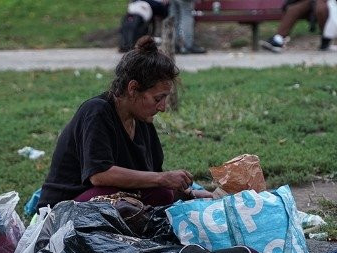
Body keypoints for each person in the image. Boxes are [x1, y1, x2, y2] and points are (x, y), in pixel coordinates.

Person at [37, 36, 213, 211]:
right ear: (133, 88)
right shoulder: (97, 111)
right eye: (158, 98)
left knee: (161, 194)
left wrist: (190, 194)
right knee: (124, 201)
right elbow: (99, 175)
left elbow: (149, 183)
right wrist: (161, 178)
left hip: (104, 201)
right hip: (62, 209)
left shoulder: (142, 121)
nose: (162, 107)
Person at [261, 0, 335, 52]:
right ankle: (278, 40)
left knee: (321, 8)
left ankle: (326, 41)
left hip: (330, 4)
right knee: (293, 9)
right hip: (310, 3)